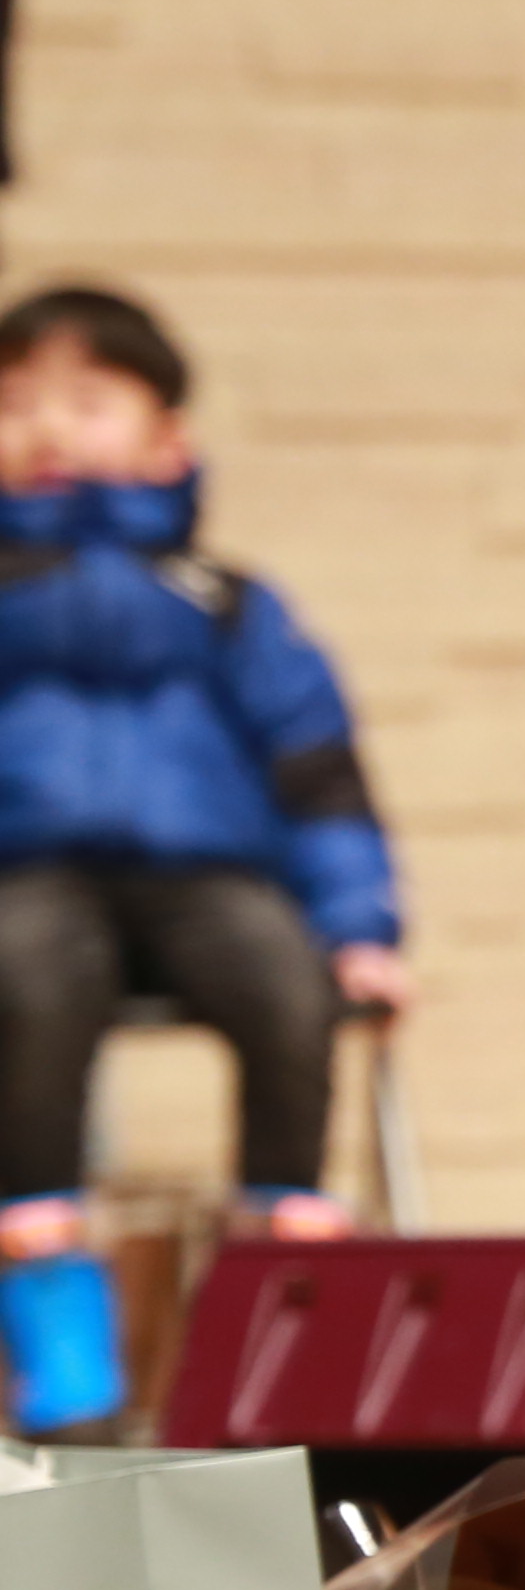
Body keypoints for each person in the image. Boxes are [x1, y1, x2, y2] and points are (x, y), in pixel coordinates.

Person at [0, 282, 407, 1428]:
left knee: (285, 980)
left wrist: (361, 929)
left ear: (167, 439)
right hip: (29, 878)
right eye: (15, 404)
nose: (46, 427)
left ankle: (281, 1281)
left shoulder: (228, 604)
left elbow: (319, 774)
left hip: (207, 877)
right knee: (28, 984)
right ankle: (50, 1295)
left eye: (88, 402)